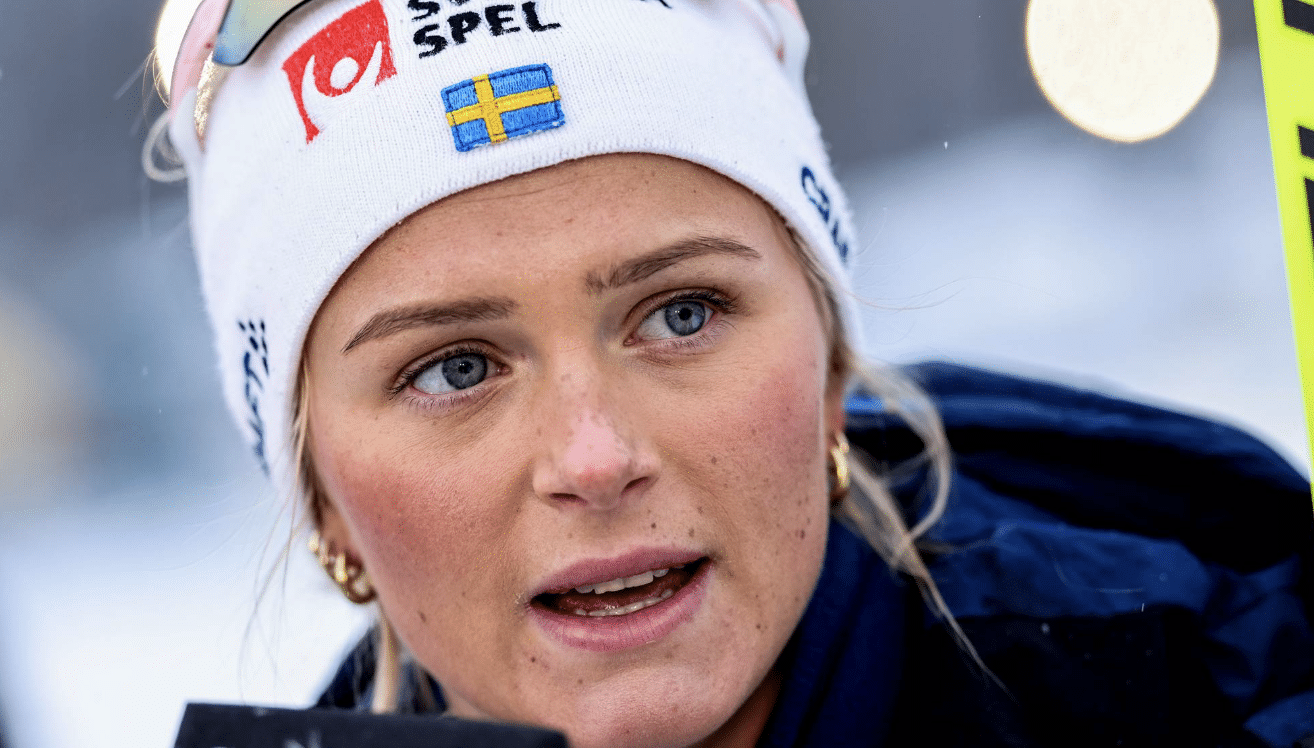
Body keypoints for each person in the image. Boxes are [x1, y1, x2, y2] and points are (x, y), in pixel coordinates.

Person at [152, 0, 1314, 745]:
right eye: (456, 369)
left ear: (829, 368)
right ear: (323, 499)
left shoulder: (1206, 693)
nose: (595, 458)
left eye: (682, 313)